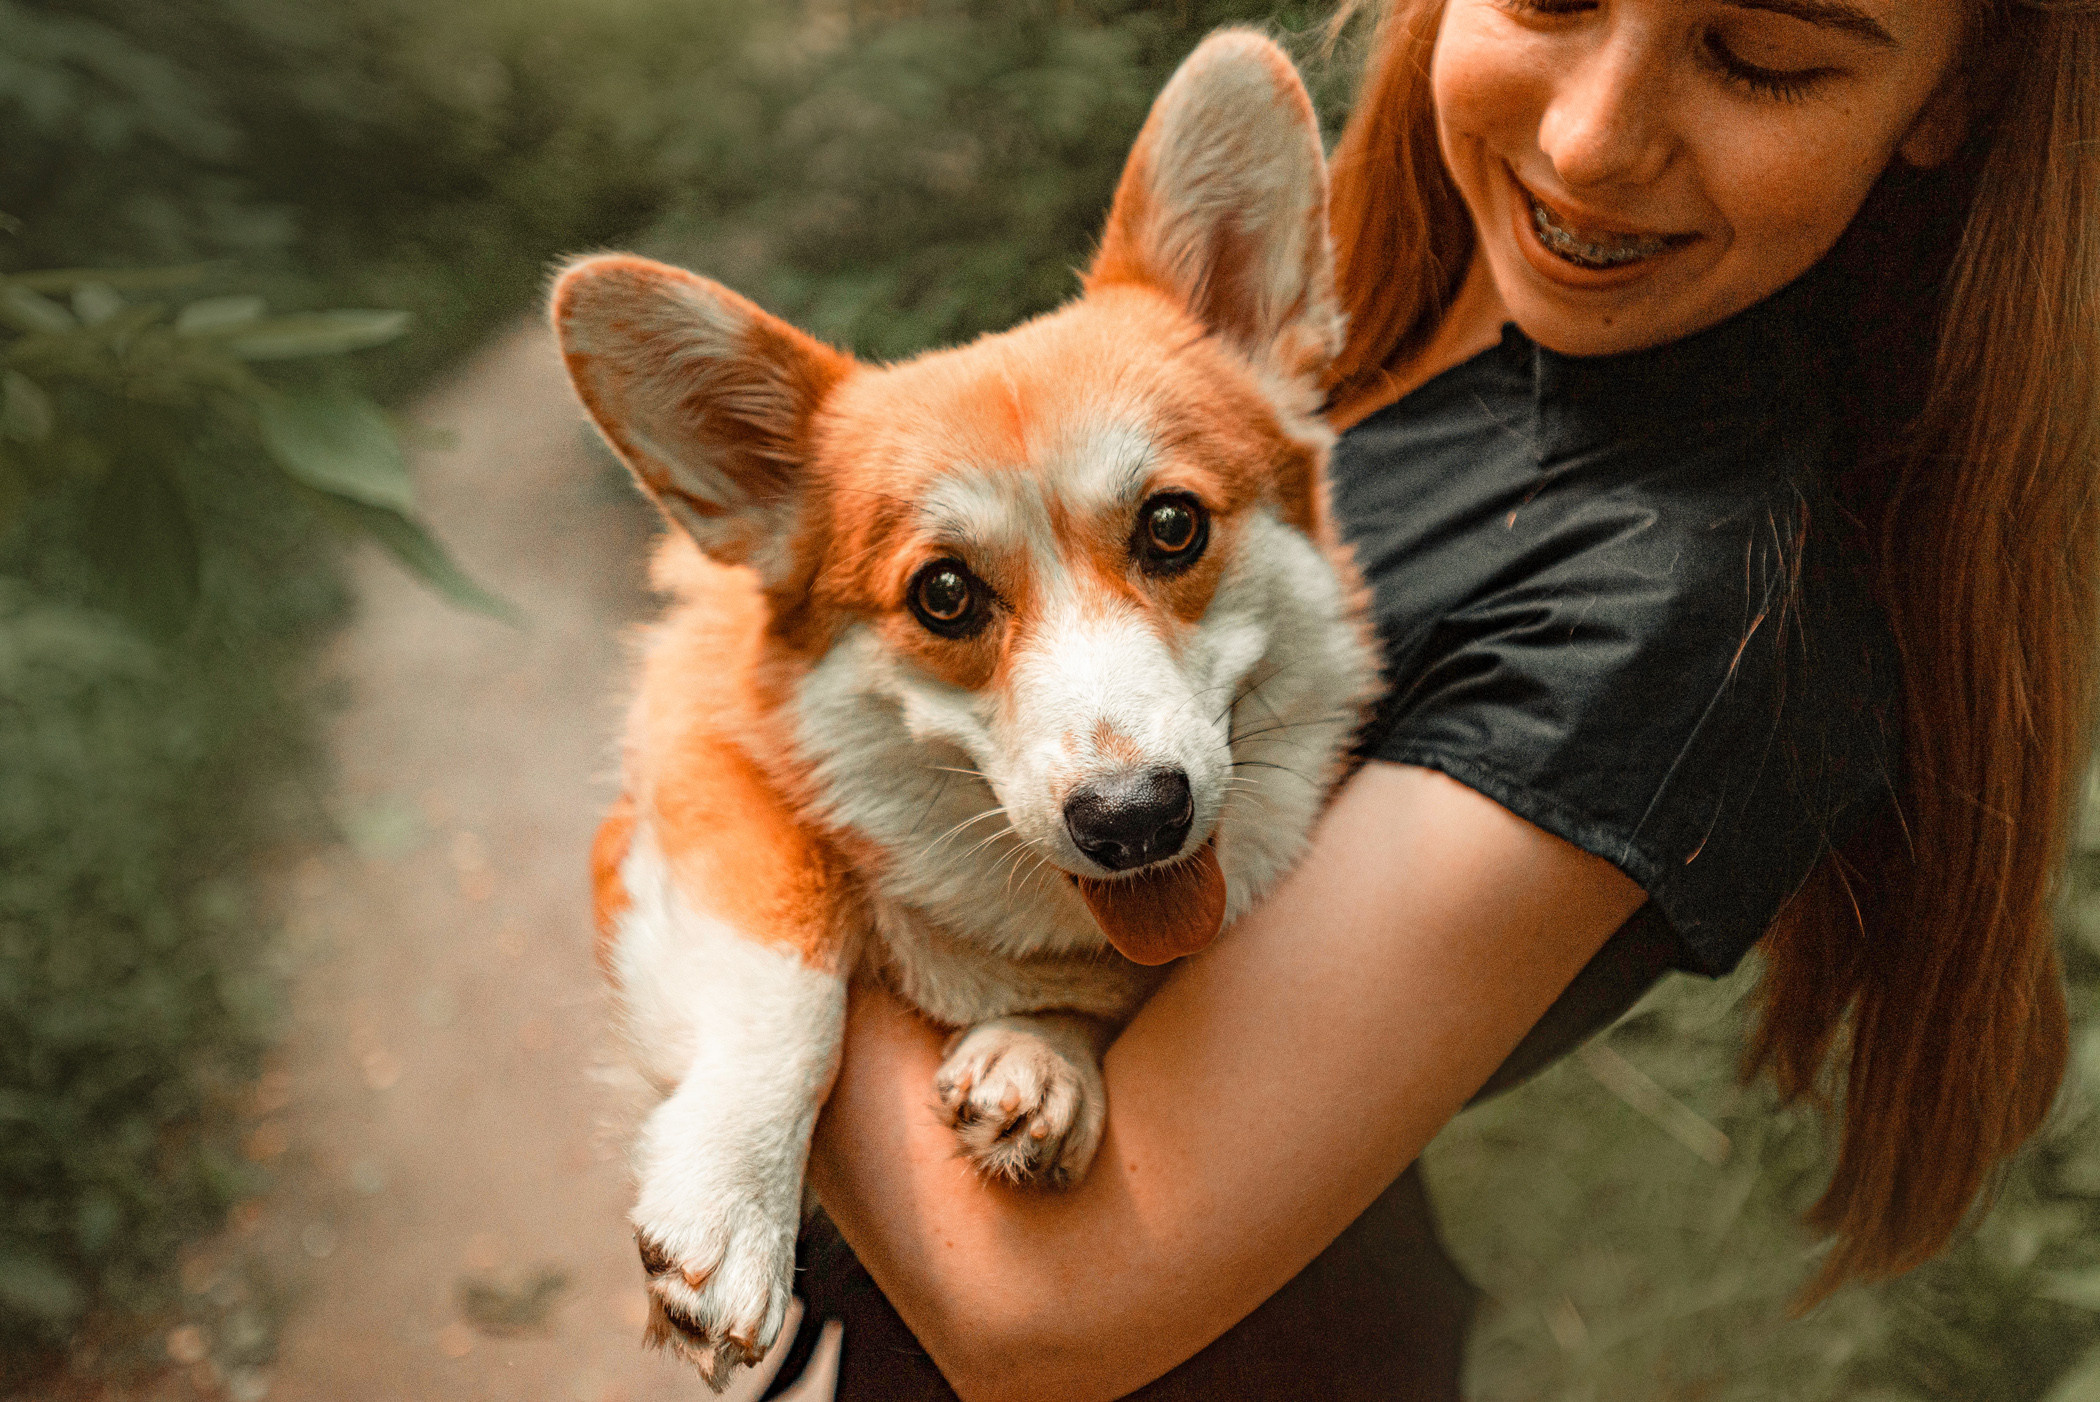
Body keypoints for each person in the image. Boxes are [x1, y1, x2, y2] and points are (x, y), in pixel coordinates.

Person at [758, 0, 2100, 1396]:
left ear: (1952, 97)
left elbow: (1035, 1308)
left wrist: (732, 862)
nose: (1587, 144)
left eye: (1761, 58)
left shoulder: (1677, 608)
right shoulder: (1407, 293)